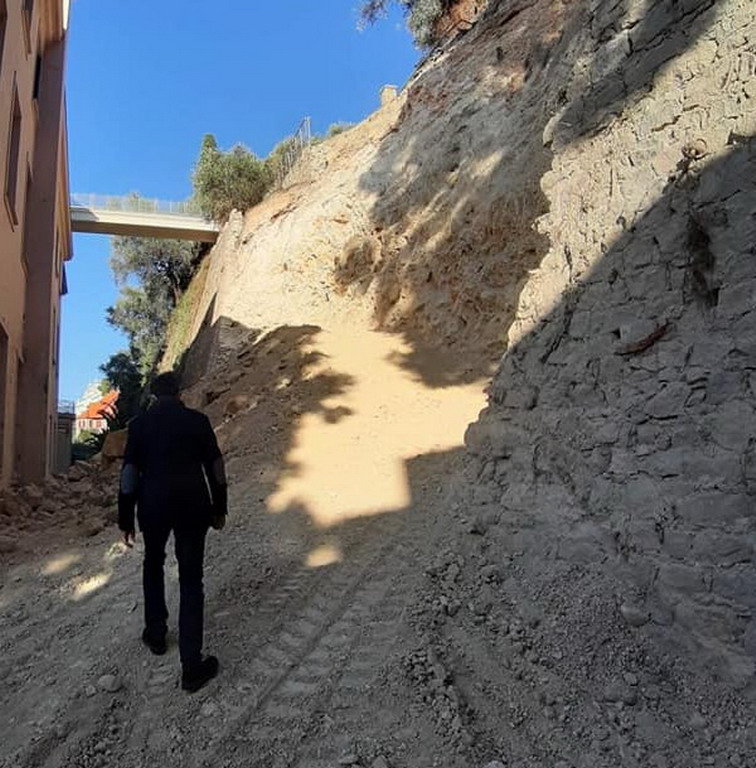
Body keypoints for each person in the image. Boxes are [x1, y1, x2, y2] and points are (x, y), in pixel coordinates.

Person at [118, 371, 228, 693]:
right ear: (180, 393)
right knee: (191, 579)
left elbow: (129, 474)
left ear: (154, 396)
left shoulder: (139, 425)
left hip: (153, 506)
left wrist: (125, 518)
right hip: (193, 504)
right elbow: (216, 467)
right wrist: (219, 506)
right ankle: (192, 667)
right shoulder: (198, 421)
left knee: (153, 563)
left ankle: (156, 634)